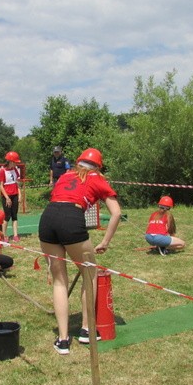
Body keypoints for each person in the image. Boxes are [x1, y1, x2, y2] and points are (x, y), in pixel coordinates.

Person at [38, 148, 121, 355]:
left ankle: (63, 340)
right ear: (98, 167)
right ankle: (86, 329)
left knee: (59, 280)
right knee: (89, 273)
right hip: (71, 217)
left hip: (48, 217)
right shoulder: (97, 178)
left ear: (78, 162)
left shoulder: (66, 175)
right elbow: (116, 213)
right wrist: (105, 241)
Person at [0, 151, 22, 242]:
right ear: (10, 161)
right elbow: (1, 186)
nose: (16, 163)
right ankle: (4, 236)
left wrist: (19, 195)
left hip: (15, 195)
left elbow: (17, 183)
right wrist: (7, 198)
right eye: (15, 162)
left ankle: (15, 235)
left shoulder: (15, 170)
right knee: (7, 216)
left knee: (14, 215)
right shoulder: (2, 171)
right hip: (6, 196)